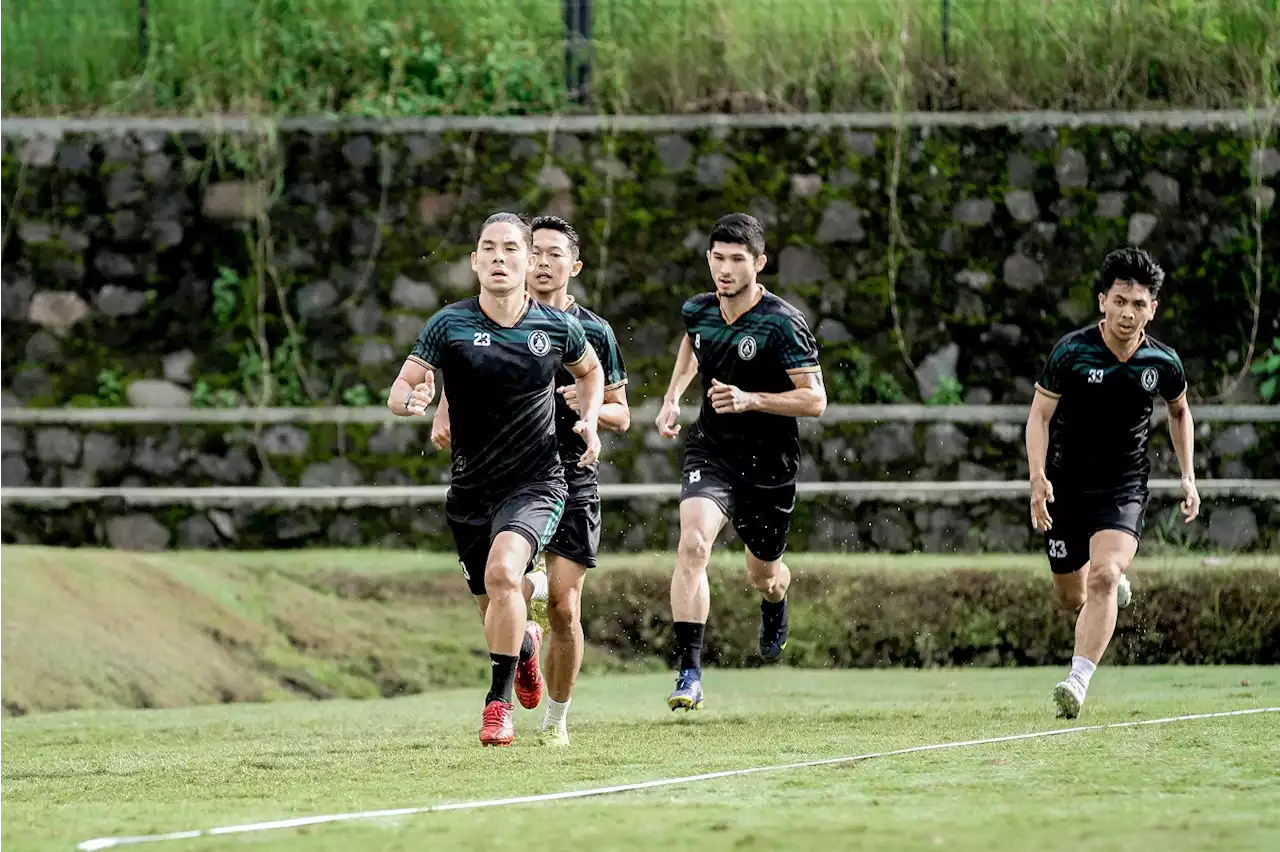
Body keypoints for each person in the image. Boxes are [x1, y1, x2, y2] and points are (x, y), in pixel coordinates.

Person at [387, 212, 605, 746]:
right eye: (489, 248)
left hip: (537, 483)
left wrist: (590, 421)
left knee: (507, 576)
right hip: (470, 492)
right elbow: (402, 387)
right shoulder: (448, 325)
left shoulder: (556, 326)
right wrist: (411, 400)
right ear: (474, 262)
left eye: (511, 248)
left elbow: (591, 370)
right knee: (494, 604)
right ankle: (525, 649)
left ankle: (496, 707)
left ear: (528, 262)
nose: (500, 257)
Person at [655, 213, 826, 711]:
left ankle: (775, 601)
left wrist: (752, 399)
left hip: (770, 465)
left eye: (737, 259)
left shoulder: (783, 323)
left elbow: (815, 400)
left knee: (763, 573)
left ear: (759, 263)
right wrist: (672, 399)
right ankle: (689, 672)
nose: (725, 269)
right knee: (692, 543)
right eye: (718, 258)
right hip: (711, 450)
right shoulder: (699, 310)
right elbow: (693, 344)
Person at [1026, 247, 1200, 720]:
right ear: (1103, 301)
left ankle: (1076, 682)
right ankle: (1110, 589)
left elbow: (1179, 411)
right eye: (1120, 301)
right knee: (1072, 596)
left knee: (1103, 575)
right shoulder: (1072, 351)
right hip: (1066, 487)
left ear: (1152, 309)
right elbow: (1039, 415)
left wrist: (1188, 476)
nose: (1128, 313)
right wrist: (1038, 477)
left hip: (1122, 488)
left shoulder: (1162, 362)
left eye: (1139, 304)